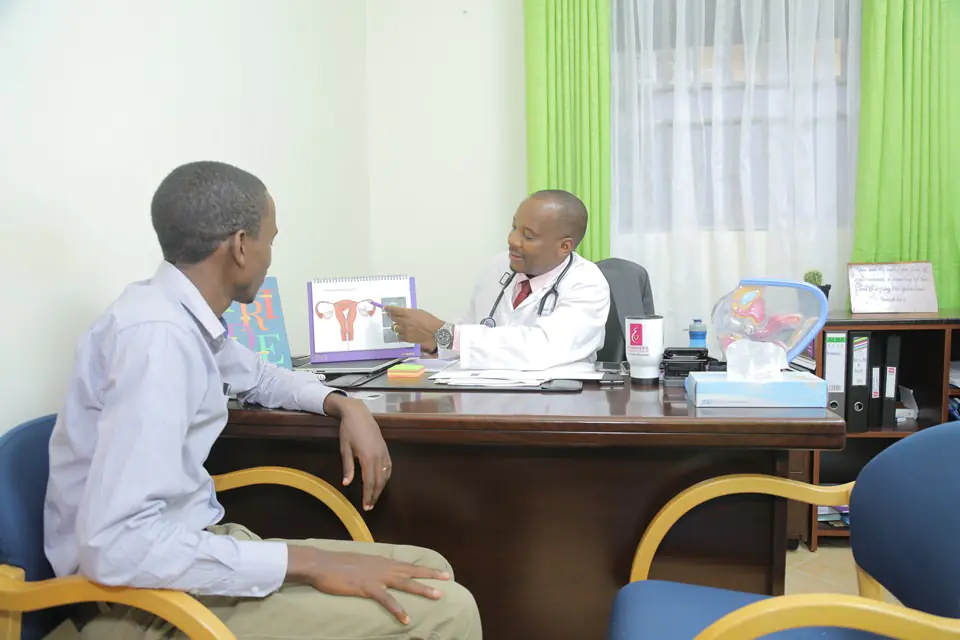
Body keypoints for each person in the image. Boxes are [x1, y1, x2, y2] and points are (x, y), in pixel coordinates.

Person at [43, 161, 481, 640]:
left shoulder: (178, 316)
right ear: (240, 245)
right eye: (270, 239)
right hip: (137, 601)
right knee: (447, 609)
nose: (271, 256)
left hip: (184, 554)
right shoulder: (157, 340)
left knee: (428, 569)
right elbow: (118, 547)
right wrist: (308, 562)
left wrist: (342, 403)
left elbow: (260, 376)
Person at [385, 190, 611, 370]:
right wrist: (433, 341)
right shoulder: (497, 267)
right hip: (486, 397)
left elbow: (543, 348)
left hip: (557, 403)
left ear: (564, 246)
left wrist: (446, 333)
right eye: (514, 227)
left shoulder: (587, 283)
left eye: (528, 236)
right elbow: (467, 330)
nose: (512, 240)